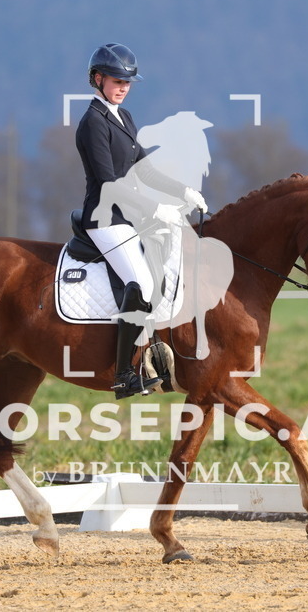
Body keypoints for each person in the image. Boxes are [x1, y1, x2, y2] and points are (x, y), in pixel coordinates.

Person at [75, 43, 207, 399]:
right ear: (97, 79)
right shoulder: (92, 123)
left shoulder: (124, 117)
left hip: (128, 216)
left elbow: (144, 171)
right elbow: (109, 184)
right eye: (117, 81)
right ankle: (123, 375)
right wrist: (155, 210)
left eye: (127, 82)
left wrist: (183, 191)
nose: (123, 87)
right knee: (142, 283)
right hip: (105, 219)